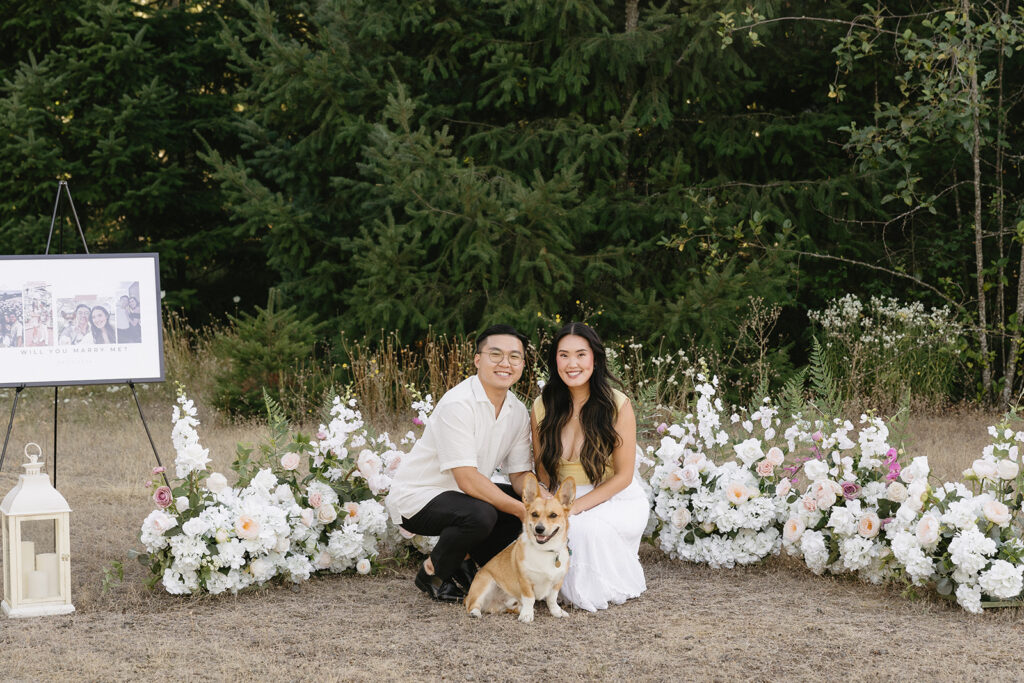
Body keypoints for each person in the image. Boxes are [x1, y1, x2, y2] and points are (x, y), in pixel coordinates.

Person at [385, 324, 534, 603]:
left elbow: (519, 474)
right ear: (478, 360)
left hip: (465, 498)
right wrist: (521, 511)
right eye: (496, 354)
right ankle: (432, 573)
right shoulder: (459, 403)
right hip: (419, 497)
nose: (506, 363)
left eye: (515, 357)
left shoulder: (517, 411)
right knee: (483, 514)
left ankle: (472, 563)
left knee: (518, 498)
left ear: (522, 364)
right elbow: (466, 478)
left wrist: (538, 501)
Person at [531, 321, 649, 611]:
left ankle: (587, 586)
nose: (572, 363)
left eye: (581, 354)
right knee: (536, 530)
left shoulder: (616, 405)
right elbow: (542, 469)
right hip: (564, 497)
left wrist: (575, 508)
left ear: (595, 359)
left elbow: (623, 476)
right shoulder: (542, 406)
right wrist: (548, 496)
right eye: (564, 355)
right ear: (554, 360)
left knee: (581, 530)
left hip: (615, 497)